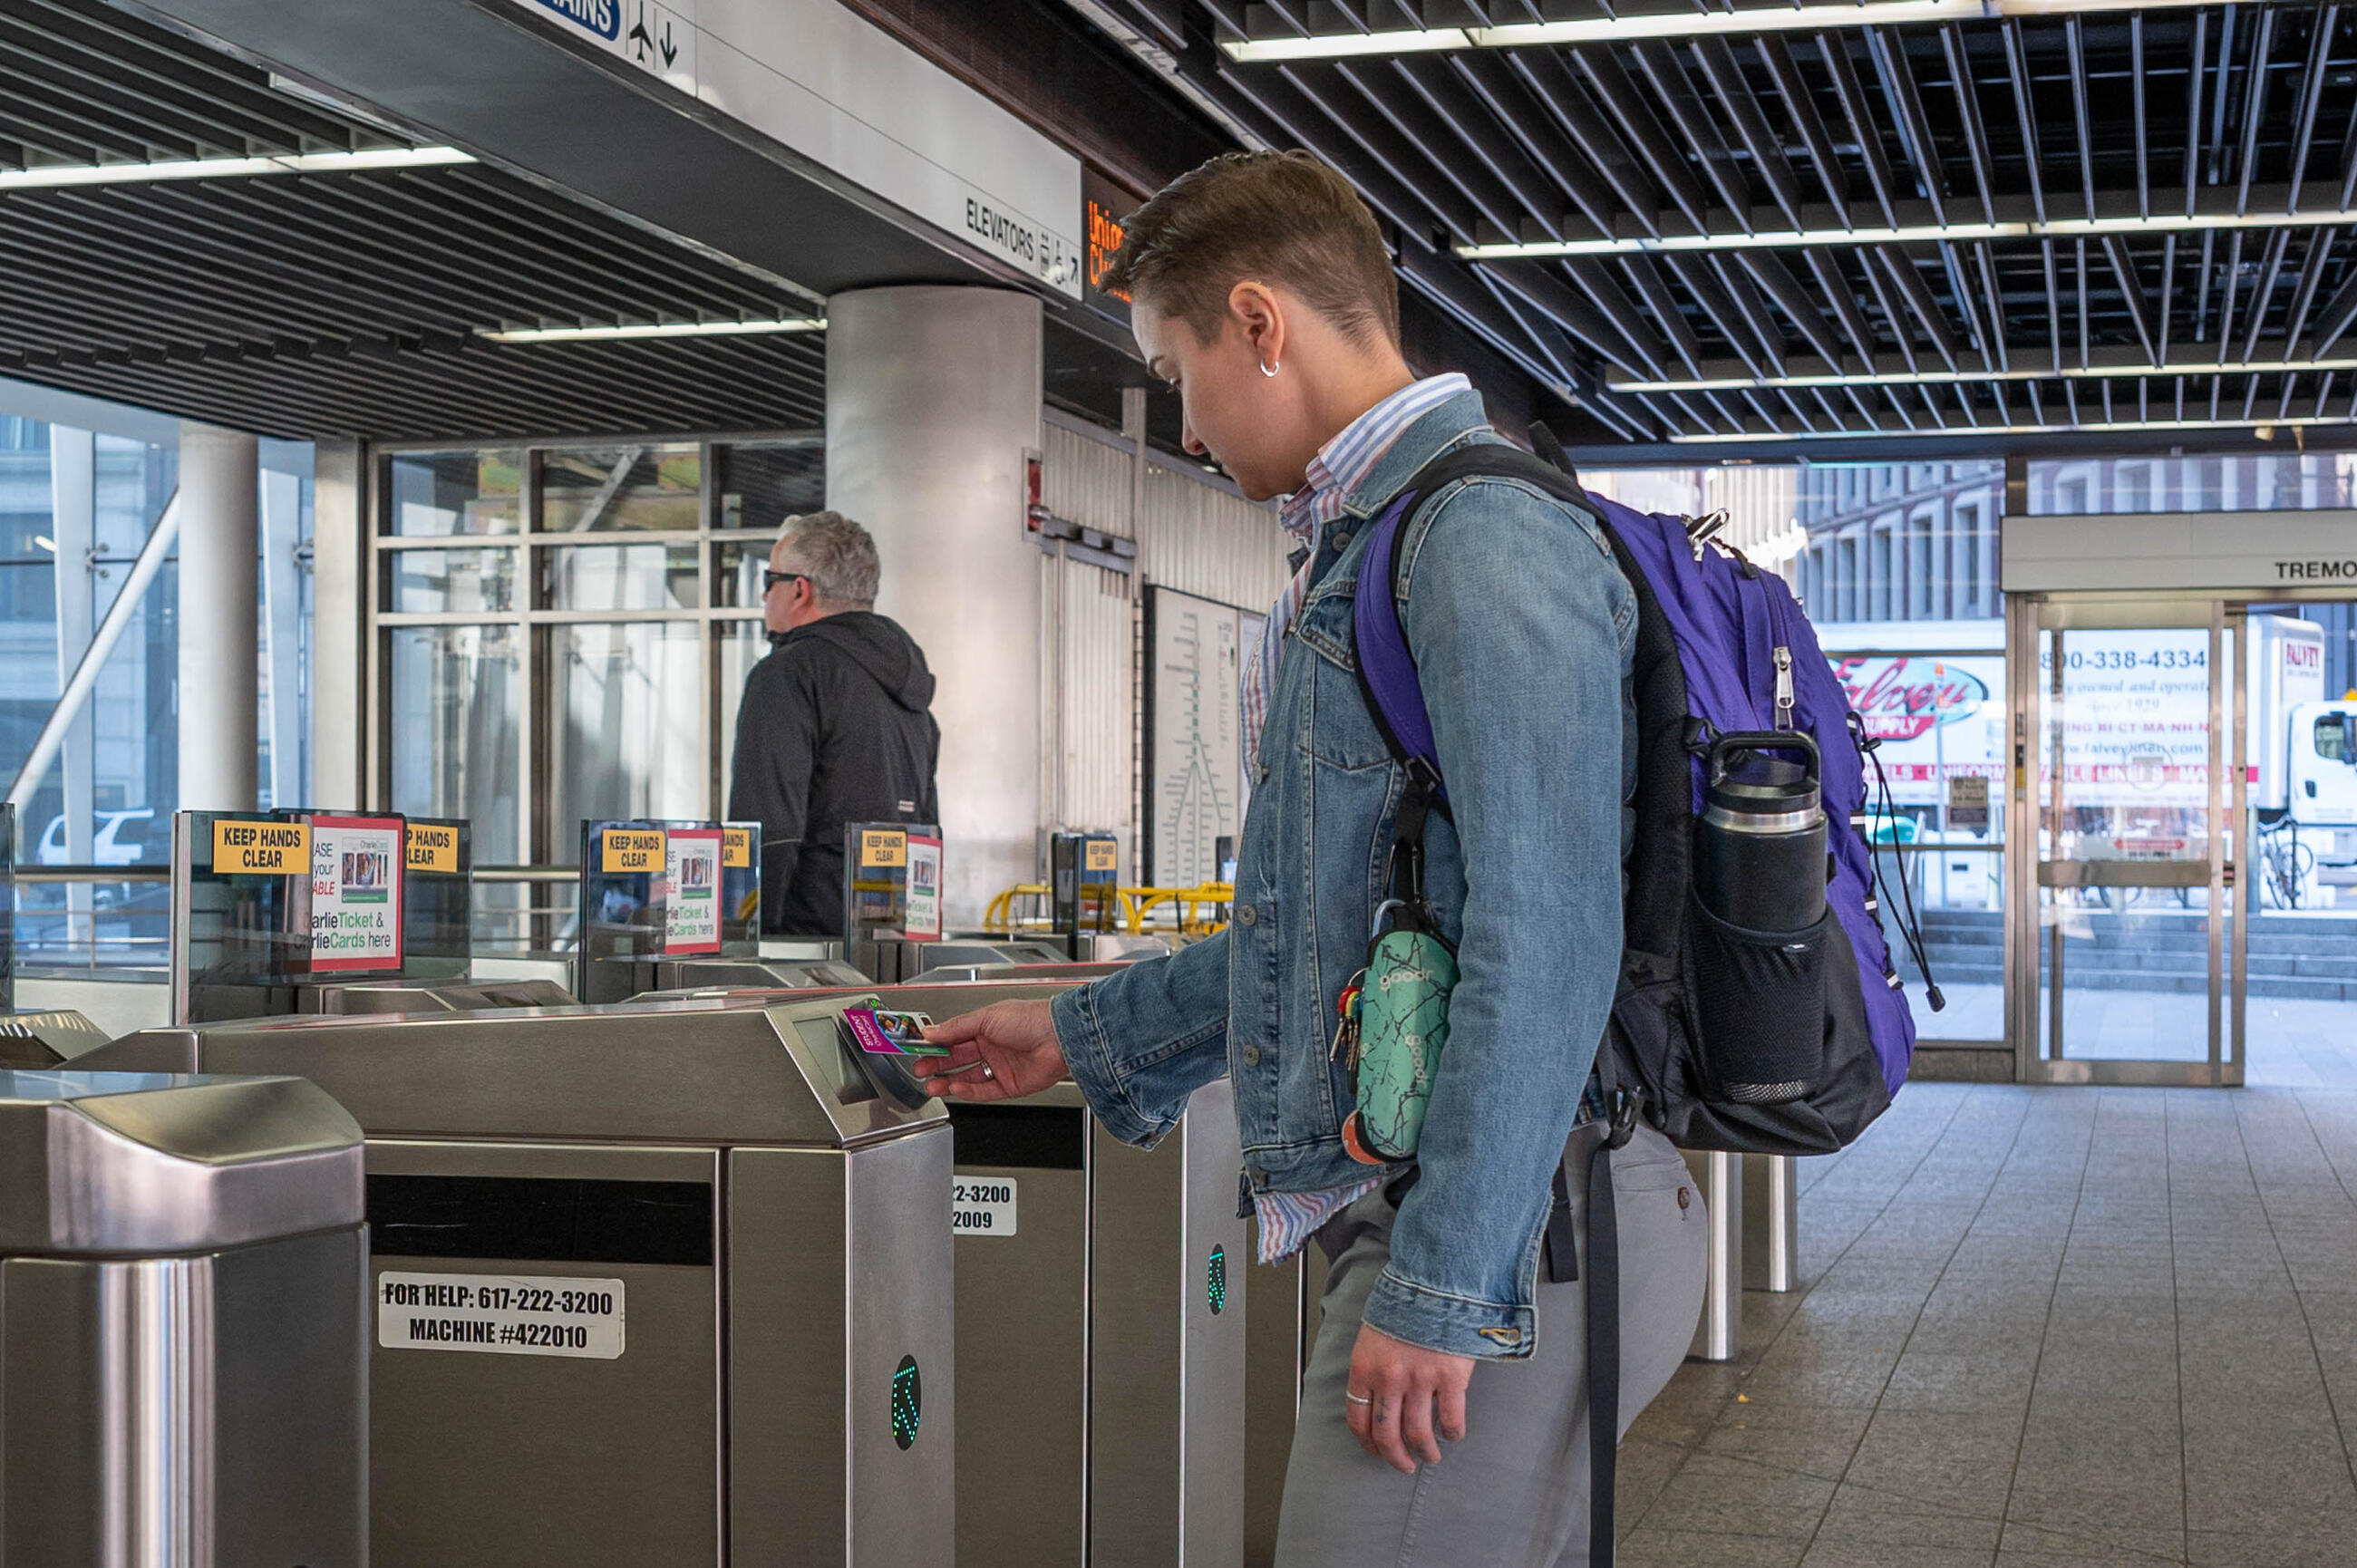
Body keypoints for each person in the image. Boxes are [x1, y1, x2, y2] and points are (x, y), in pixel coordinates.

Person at [915, 150, 1705, 1566]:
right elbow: (1332, 946)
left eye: (1178, 366)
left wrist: (1444, 1284)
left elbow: (1547, 932)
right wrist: (1078, 1034)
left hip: (1520, 1224)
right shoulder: (1375, 545)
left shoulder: (1476, 536)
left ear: (1261, 324)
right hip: (1494, 1207)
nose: (1188, 420)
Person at [727, 510, 939, 935]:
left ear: (799, 590)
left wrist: (743, 945)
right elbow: (927, 830)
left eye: (769, 582)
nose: (765, 597)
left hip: (799, 949)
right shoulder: (906, 684)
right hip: (890, 943)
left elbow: (767, 829)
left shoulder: (788, 674)